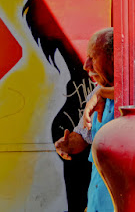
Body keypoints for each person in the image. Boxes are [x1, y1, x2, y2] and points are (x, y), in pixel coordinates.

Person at [55, 27, 115, 212]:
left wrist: (102, 93)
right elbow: (83, 136)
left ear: (115, 58)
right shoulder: (96, 95)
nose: (85, 65)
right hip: (98, 201)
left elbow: (133, 91)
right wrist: (67, 143)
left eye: (93, 57)